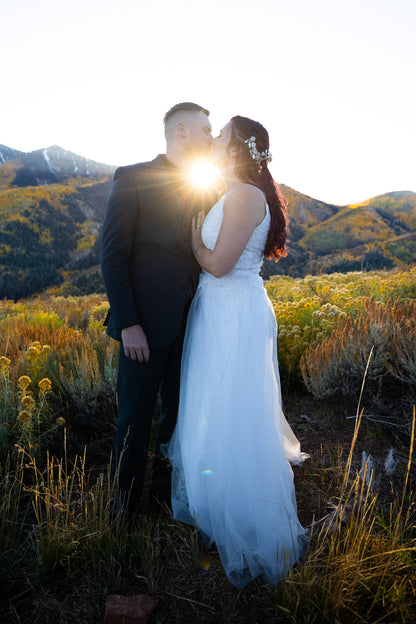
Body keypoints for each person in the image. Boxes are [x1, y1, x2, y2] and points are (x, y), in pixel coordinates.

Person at [166, 115, 309, 588]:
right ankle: (216, 493)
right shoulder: (236, 191)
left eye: (222, 133)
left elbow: (221, 264)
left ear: (236, 148)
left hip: (232, 309)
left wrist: (193, 243)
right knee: (214, 397)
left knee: (231, 401)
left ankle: (243, 506)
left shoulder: (246, 196)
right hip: (221, 310)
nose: (215, 138)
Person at [100, 102, 216, 513]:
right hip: (143, 328)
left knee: (177, 417)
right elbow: (112, 256)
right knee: (134, 417)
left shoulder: (205, 185)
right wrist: (129, 323)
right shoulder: (132, 179)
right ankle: (124, 508)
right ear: (181, 130)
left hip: (191, 325)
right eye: (205, 129)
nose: (210, 136)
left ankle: (166, 498)